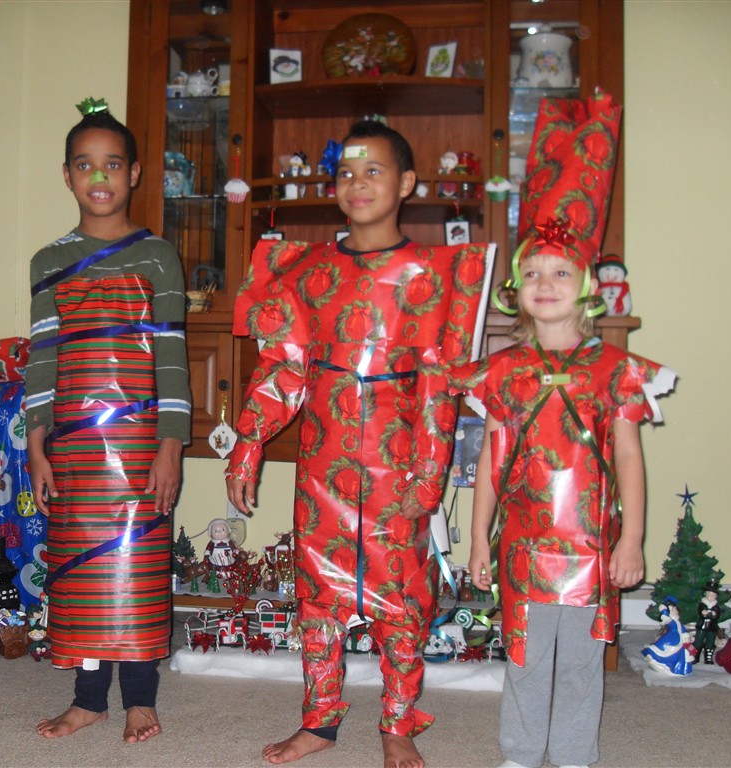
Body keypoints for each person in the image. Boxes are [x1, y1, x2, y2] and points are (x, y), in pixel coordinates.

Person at [226, 120, 493, 768]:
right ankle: (319, 721)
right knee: (317, 593)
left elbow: (439, 384)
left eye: (374, 170)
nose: (358, 183)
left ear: (407, 183)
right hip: (323, 463)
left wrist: (429, 473)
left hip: (400, 463)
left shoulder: (432, 275)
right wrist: (248, 444)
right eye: (346, 172)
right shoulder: (309, 269)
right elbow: (285, 364)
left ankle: (398, 723)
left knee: (402, 597)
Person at [456, 90, 675, 768]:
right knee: (523, 656)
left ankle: (575, 755)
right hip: (523, 547)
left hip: (589, 548)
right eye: (531, 273)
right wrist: (478, 538)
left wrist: (631, 539)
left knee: (580, 661)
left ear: (587, 285)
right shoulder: (505, 371)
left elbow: (629, 458)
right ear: (516, 288)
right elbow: (492, 458)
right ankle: (522, 753)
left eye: (561, 271)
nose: (544, 282)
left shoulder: (614, 370)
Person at [24, 98, 190, 745]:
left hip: (140, 442)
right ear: (67, 174)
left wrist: (171, 446)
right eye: (85, 164)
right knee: (81, 569)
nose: (99, 176)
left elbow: (172, 359)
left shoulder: (158, 257)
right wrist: (36, 447)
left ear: (135, 173)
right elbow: (43, 358)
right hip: (72, 446)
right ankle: (89, 698)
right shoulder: (47, 262)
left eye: (113, 164)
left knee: (136, 568)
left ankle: (140, 698)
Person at [641, 597, 694, 676]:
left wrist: (686, 636)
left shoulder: (678, 621)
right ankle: (659, 662)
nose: (676, 611)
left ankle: (676, 669)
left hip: (679, 639)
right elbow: (666, 618)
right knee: (664, 650)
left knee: (680, 655)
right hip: (672, 639)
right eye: (674, 610)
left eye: (676, 610)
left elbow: (683, 630)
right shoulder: (671, 620)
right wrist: (664, 610)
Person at [694, 578, 722, 664]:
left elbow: (716, 615)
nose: (710, 596)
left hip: (712, 627)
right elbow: (701, 612)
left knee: (710, 642)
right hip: (702, 626)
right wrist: (704, 613)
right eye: (709, 594)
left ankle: (708, 658)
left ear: (716, 596)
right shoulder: (702, 604)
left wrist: (714, 614)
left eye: (713, 595)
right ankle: (695, 656)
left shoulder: (716, 606)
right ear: (705, 594)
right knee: (698, 641)